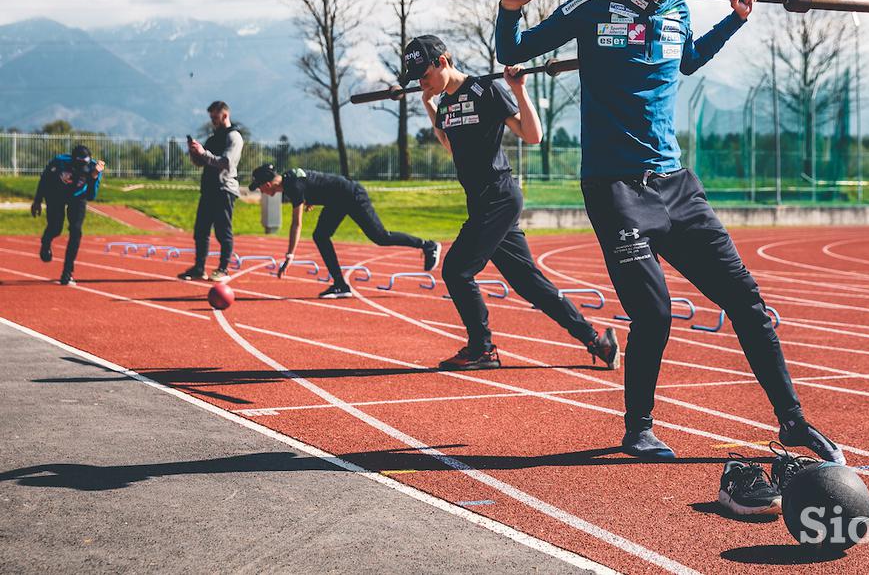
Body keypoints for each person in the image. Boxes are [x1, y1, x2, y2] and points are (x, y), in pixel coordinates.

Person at [495, 0, 844, 464]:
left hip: (677, 185)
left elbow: (688, 61)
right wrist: (510, 10)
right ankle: (638, 429)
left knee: (747, 303)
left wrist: (735, 19)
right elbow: (514, 53)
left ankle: (793, 422)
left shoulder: (679, 10)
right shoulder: (592, 7)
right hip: (615, 189)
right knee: (654, 313)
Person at [406, 34, 618, 371]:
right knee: (529, 283)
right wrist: (429, 103)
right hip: (481, 202)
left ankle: (482, 349)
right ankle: (596, 340)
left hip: (499, 196)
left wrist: (519, 89)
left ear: (442, 62)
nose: (421, 81)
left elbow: (532, 136)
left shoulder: (486, 90)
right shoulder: (445, 104)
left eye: (425, 74)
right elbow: (450, 145)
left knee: (457, 270)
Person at [249, 164, 441, 299]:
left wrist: (290, 255)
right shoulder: (290, 177)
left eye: (259, 188)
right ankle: (340, 284)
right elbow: (315, 182)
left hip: (351, 195)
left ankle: (427, 245)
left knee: (381, 237)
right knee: (320, 235)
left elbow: (296, 224)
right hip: (337, 200)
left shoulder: (293, 186)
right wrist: (312, 199)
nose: (261, 192)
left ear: (266, 184)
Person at [178, 101, 243, 282]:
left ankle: (223, 269)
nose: (213, 121)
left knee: (223, 231)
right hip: (208, 188)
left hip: (224, 189)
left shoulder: (234, 137)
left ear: (225, 115)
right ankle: (199, 268)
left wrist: (204, 153)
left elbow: (227, 162)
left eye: (215, 117)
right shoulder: (213, 138)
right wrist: (195, 153)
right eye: (211, 117)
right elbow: (202, 162)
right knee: (201, 231)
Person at [31, 144, 104, 286]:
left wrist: (93, 177)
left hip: (78, 197)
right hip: (56, 194)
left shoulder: (94, 168)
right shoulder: (59, 162)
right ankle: (46, 242)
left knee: (76, 231)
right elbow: (44, 180)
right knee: (56, 227)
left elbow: (90, 196)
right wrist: (37, 200)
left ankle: (67, 272)